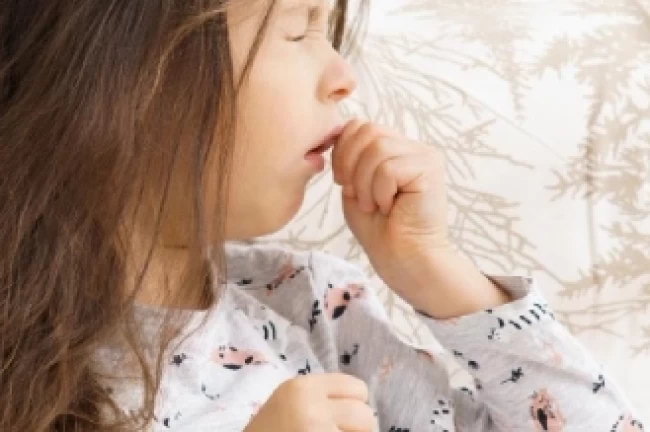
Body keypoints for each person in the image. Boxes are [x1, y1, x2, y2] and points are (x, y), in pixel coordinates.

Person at [0, 0, 643, 431]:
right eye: (297, 29)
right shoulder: (22, 357)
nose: (342, 75)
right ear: (131, 75)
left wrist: (439, 275)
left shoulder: (316, 308)